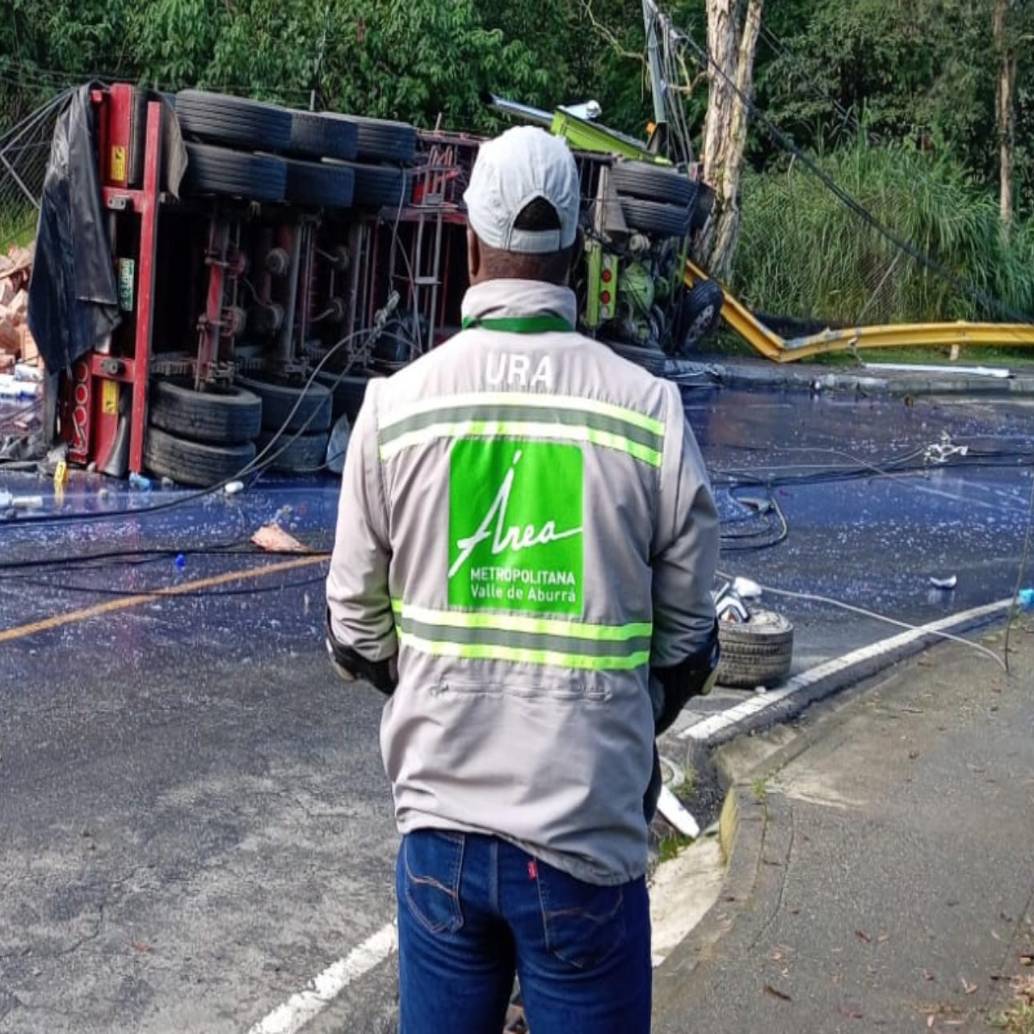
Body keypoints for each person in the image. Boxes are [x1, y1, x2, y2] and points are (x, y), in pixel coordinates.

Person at [325, 125, 719, 1034]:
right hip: (585, 845)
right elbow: (689, 643)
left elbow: (353, 630)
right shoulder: (648, 416)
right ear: (578, 255)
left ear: (468, 245)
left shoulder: (395, 412)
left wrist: (428, 678)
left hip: (442, 843)